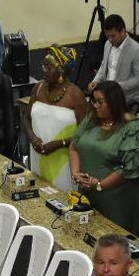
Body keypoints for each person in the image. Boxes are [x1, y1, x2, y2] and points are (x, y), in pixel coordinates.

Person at [70, 80, 139, 235]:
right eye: (94, 101)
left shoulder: (132, 129)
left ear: (114, 103)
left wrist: (100, 184)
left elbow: (128, 169)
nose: (95, 106)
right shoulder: (91, 119)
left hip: (117, 202)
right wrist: (76, 174)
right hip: (89, 195)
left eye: (100, 102)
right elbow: (74, 146)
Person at [21, 45, 85, 190]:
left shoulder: (75, 95)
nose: (44, 70)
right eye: (43, 65)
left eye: (49, 67)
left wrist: (59, 143)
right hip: (38, 155)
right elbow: (26, 118)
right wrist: (33, 139)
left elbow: (85, 133)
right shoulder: (37, 88)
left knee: (61, 200)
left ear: (61, 70)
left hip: (64, 160)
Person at [87, 14, 139, 111]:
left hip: (128, 102)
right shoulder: (108, 44)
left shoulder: (138, 50)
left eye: (113, 36)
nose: (110, 39)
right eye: (107, 36)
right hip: (108, 99)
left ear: (123, 31)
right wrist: (96, 80)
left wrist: (117, 87)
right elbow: (104, 65)